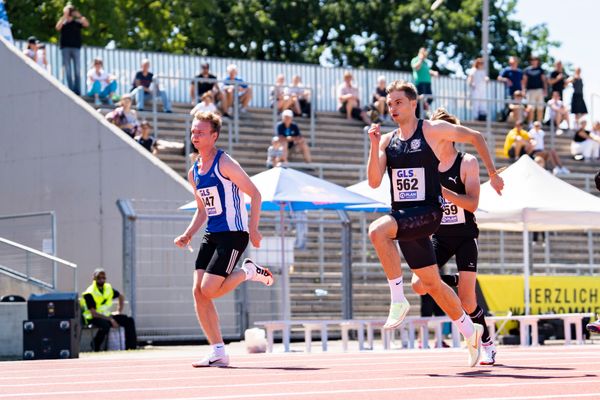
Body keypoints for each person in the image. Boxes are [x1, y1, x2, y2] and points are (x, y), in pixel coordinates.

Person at [367, 80, 503, 367]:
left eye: (398, 102)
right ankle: (471, 331)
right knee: (430, 284)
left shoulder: (431, 130)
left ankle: (396, 298)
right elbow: (374, 181)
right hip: (405, 219)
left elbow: (476, 135)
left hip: (429, 215)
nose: (392, 108)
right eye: (389, 103)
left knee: (377, 230)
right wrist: (372, 146)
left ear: (413, 103)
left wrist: (492, 173)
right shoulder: (386, 141)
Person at [173, 111, 273, 367]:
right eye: (194, 131)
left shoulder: (224, 163)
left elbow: (255, 193)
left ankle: (248, 272)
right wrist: (188, 233)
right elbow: (203, 208)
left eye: (201, 132)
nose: (195, 135)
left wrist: (254, 229)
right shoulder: (194, 171)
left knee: (209, 290)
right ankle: (218, 350)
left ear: (214, 136)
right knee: (198, 292)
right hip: (212, 233)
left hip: (233, 233)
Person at [409, 108, 496, 365]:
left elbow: (472, 204)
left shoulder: (467, 162)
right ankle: (457, 278)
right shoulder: (426, 165)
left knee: (469, 302)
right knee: (418, 284)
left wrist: (447, 194)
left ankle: (487, 343)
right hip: (439, 234)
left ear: (448, 135)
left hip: (465, 235)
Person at [80, 268, 137, 351]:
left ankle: (131, 347)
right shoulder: (89, 292)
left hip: (106, 316)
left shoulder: (108, 288)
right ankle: (96, 345)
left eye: (103, 278)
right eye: (99, 278)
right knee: (105, 326)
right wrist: (111, 319)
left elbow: (120, 296)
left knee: (129, 320)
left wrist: (118, 311)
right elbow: (93, 313)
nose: (101, 280)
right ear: (94, 279)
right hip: (92, 318)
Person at [55, 4, 88, 95]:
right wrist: (64, 16)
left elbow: (86, 24)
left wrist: (79, 15)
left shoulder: (77, 22)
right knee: (68, 70)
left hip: (76, 48)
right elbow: (57, 27)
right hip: (65, 48)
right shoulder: (63, 22)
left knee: (77, 70)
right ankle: (71, 89)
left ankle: (77, 90)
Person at [411, 47, 438, 112]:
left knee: (430, 98)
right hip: (420, 83)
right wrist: (420, 59)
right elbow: (416, 68)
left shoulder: (425, 62)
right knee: (420, 99)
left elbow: (427, 70)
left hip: (427, 83)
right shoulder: (415, 59)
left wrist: (434, 72)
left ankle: (425, 108)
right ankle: (420, 112)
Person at [522, 56, 547, 124]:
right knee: (531, 108)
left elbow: (544, 80)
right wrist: (523, 90)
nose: (534, 61)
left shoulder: (541, 70)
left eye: (535, 60)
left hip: (539, 90)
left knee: (540, 108)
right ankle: (530, 123)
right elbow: (524, 81)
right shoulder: (527, 70)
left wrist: (545, 90)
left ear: (538, 61)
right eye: (532, 60)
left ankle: (539, 123)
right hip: (530, 91)